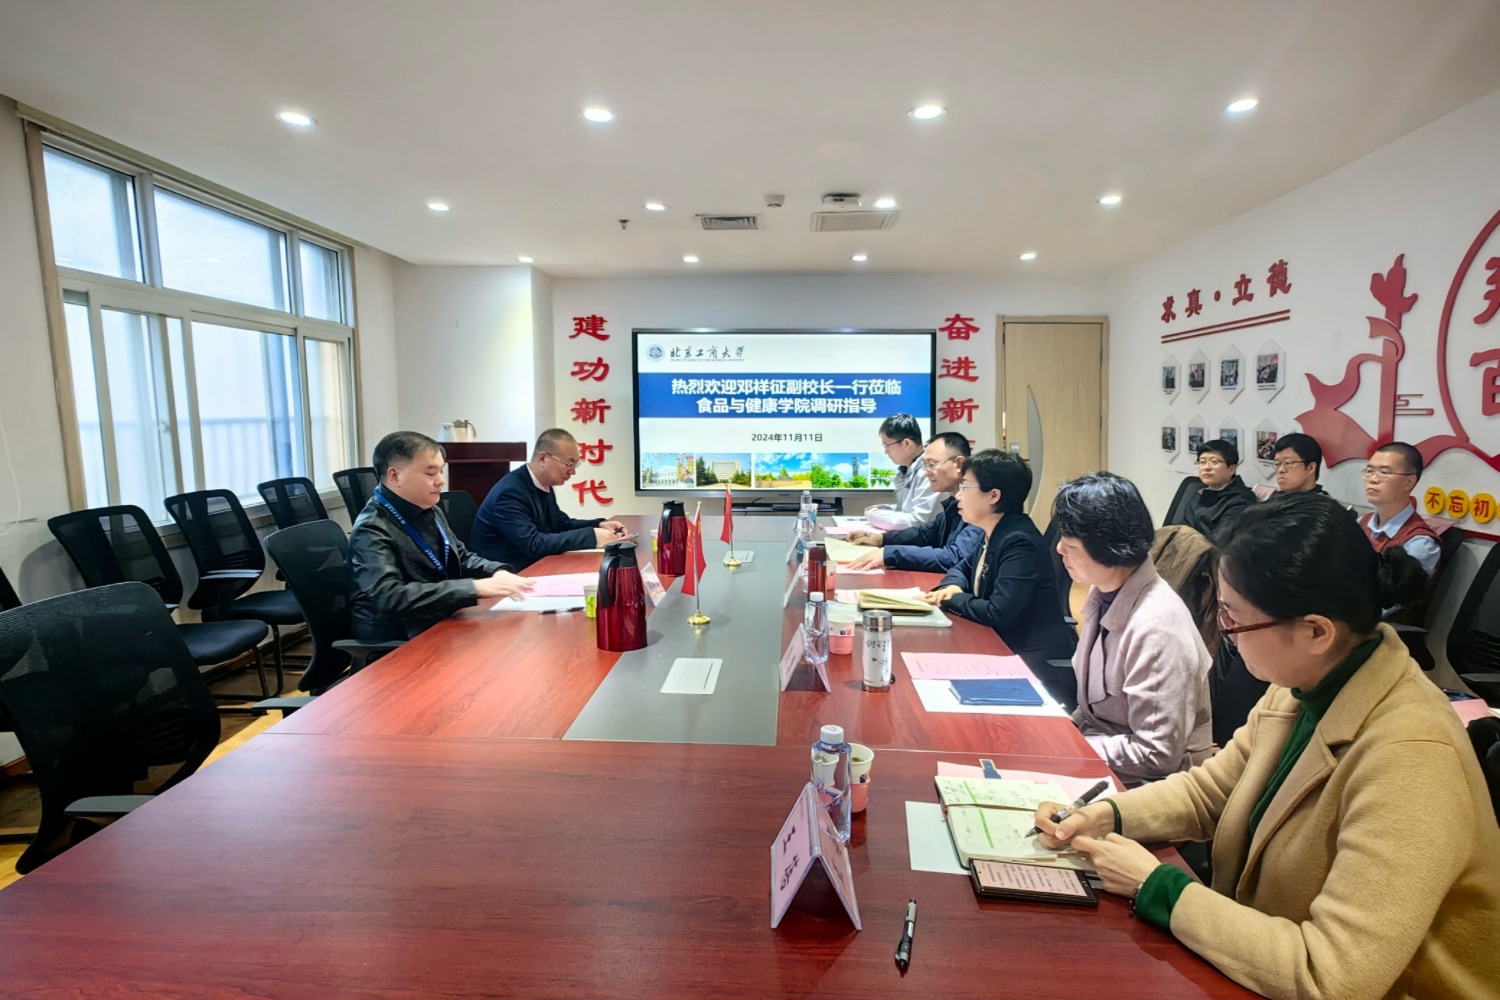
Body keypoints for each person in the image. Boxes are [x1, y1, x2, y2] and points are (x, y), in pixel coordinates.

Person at [1032, 493, 1498, 1000]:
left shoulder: (1412, 758)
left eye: (1232, 618)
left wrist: (1158, 886)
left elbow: (1332, 975)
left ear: (1315, 631)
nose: (1224, 633)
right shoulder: (1303, 684)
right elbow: (1209, 793)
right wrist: (1105, 815)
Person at [1051, 473, 1213, 784]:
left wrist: (1072, 747)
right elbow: (1093, 708)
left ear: (1107, 549)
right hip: (1108, 760)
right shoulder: (1104, 591)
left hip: (1150, 784)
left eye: (1070, 544)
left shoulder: (1157, 626)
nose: (1059, 549)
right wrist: (1061, 734)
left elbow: (1156, 755)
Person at [350, 431, 535, 643]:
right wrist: (474, 588)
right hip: (399, 638)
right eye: (431, 473)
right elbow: (390, 596)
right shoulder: (371, 527)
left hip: (438, 619)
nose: (440, 481)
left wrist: (496, 572)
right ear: (395, 476)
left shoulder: (429, 509)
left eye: (441, 471)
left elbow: (460, 557)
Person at [919, 450, 1075, 673]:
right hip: (997, 645)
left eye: (965, 487)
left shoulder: (1019, 542)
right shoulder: (994, 530)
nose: (958, 496)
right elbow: (962, 567)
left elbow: (997, 612)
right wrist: (952, 585)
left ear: (993, 496)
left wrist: (952, 599)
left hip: (1027, 661)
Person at [469, 428, 629, 571]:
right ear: (543, 458)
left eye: (575, 465)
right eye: (569, 463)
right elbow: (533, 544)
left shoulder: (543, 484)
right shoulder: (510, 493)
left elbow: (560, 524)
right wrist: (592, 537)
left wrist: (598, 525)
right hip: (505, 574)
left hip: (532, 565)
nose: (572, 472)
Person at [843, 432, 982, 572]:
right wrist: (882, 539)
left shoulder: (980, 505)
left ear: (959, 463)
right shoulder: (953, 503)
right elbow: (926, 533)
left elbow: (954, 557)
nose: (927, 472)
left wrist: (889, 554)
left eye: (932, 464)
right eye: (924, 465)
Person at [1359, 440, 1439, 576]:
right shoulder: (1361, 523)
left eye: (1384, 472)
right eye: (1370, 471)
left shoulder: (1419, 543)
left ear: (1409, 482)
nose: (1373, 479)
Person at [863, 413, 940, 529]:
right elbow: (906, 510)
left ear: (906, 443)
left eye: (886, 445)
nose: (885, 452)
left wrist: (874, 516)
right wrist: (883, 510)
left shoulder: (928, 472)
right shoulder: (907, 470)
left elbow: (918, 521)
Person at [1182, 439, 1256, 543]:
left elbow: (1221, 541)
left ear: (1231, 469)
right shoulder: (1198, 494)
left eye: (1214, 462)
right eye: (1202, 462)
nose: (1207, 467)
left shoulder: (1241, 501)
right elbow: (1181, 530)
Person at [1269, 432, 1326, 497]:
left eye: (1288, 463)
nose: (1280, 470)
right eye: (1277, 464)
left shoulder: (1321, 503)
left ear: (1310, 468)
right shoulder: (1275, 498)